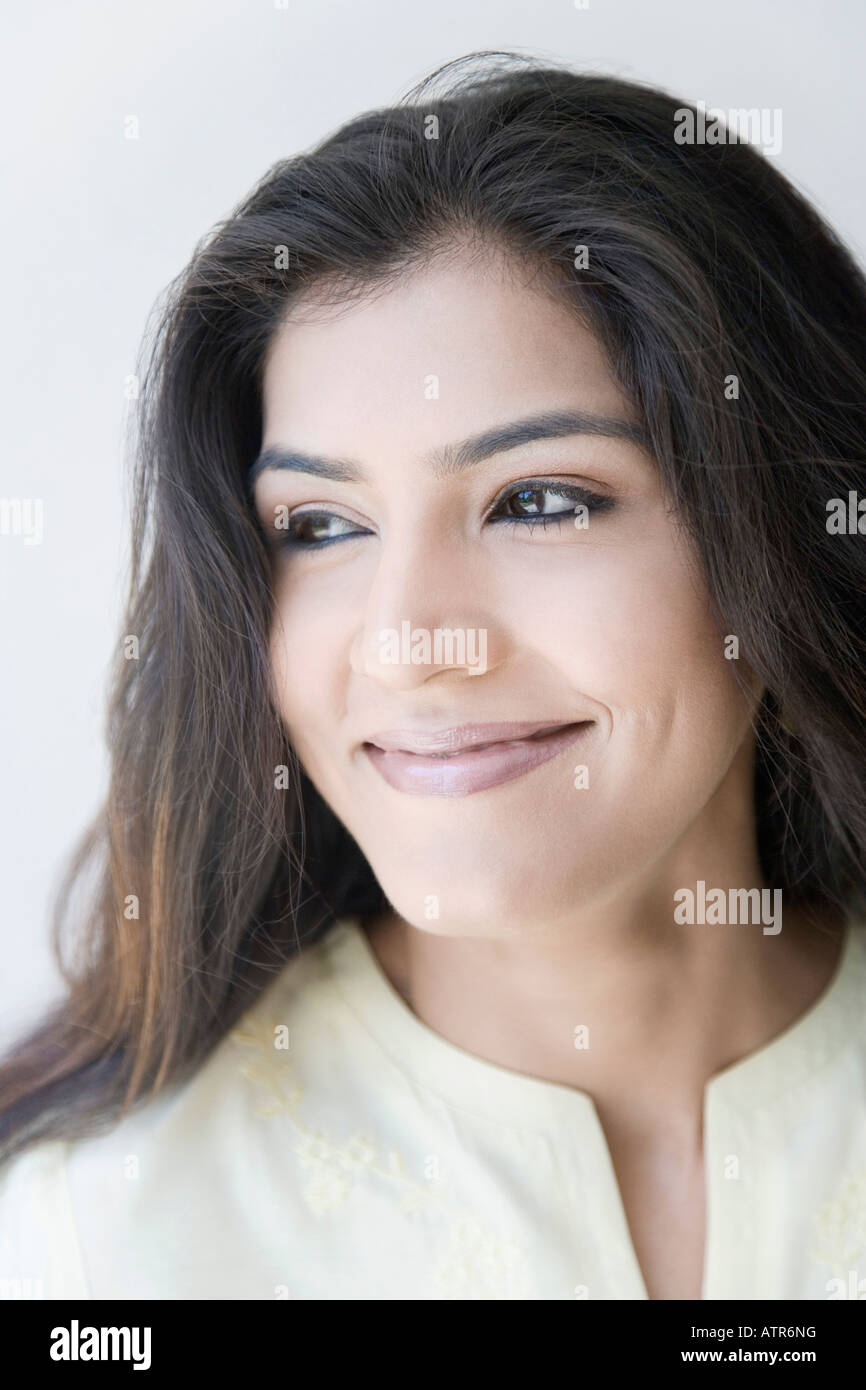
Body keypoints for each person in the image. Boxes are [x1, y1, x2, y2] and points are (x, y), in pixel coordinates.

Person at [1, 52, 865, 1302]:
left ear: (776, 529)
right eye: (319, 525)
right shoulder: (93, 1239)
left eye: (538, 501)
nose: (407, 641)